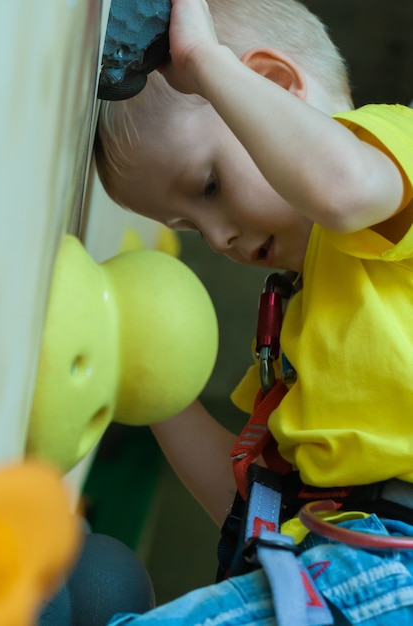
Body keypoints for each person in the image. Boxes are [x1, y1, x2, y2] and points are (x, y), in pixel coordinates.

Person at [94, 0, 413, 623]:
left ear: (271, 88)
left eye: (209, 187)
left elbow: (343, 188)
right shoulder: (303, 325)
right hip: (330, 563)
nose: (217, 239)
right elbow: (250, 509)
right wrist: (147, 370)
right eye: (188, 227)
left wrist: (205, 63)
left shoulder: (388, 148)